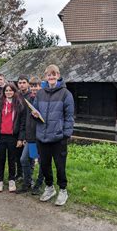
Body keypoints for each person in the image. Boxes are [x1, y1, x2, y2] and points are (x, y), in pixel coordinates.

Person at [32, 64, 74, 206]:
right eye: (49, 74)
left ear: (58, 75)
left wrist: (66, 134)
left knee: (60, 165)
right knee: (44, 164)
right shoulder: (40, 93)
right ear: (45, 77)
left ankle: (63, 190)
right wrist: (34, 114)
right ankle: (49, 188)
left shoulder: (65, 94)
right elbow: (35, 111)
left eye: (54, 74)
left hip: (58, 137)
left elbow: (69, 116)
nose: (51, 77)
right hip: (42, 136)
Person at [0, 83, 26, 192]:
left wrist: (20, 138)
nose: (8, 92)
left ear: (14, 92)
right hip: (0, 137)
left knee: (12, 159)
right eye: (6, 90)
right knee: (1, 159)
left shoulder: (19, 106)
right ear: (3, 92)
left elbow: (22, 124)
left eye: (10, 90)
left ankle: (11, 180)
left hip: (13, 137)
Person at [17, 76, 43, 194]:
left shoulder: (44, 99)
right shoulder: (29, 99)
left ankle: (39, 184)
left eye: (36, 86)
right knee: (25, 159)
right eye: (32, 86)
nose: (34, 88)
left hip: (42, 137)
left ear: (40, 86)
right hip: (31, 137)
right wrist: (25, 136)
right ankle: (27, 182)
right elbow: (26, 119)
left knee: (42, 162)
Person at [15, 74, 30, 181]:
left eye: (24, 82)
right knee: (17, 153)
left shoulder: (31, 96)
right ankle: (19, 173)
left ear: (28, 84)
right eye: (20, 83)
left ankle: (28, 176)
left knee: (29, 156)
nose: (22, 85)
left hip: (29, 128)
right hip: (17, 126)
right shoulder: (16, 95)